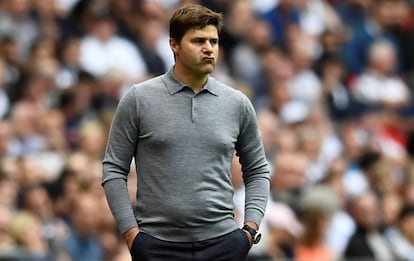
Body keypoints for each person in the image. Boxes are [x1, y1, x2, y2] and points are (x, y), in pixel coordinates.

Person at [101, 4, 271, 261]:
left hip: (223, 244)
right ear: (174, 45)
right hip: (157, 245)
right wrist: (131, 234)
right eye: (198, 41)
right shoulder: (138, 99)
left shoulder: (237, 103)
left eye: (214, 41)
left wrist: (249, 230)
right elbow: (114, 169)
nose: (209, 48)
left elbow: (258, 169)